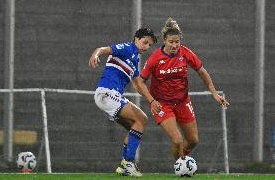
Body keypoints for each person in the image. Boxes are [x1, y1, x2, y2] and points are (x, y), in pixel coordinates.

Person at [140, 18, 230, 161]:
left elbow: (202, 72)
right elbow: (139, 82)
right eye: (171, 42)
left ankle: (181, 161)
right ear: (164, 40)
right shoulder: (155, 59)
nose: (174, 45)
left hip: (182, 101)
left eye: (177, 42)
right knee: (177, 140)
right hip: (162, 104)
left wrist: (214, 93)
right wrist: (151, 101)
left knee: (193, 140)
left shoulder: (185, 53)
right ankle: (179, 166)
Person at [88, 27, 161, 177]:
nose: (147, 47)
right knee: (141, 119)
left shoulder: (134, 59)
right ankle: (128, 162)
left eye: (149, 45)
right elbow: (104, 49)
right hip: (107, 93)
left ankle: (124, 166)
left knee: (135, 126)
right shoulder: (128, 48)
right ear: (136, 39)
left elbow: (138, 84)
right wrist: (96, 54)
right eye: (145, 42)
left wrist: (152, 101)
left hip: (110, 96)